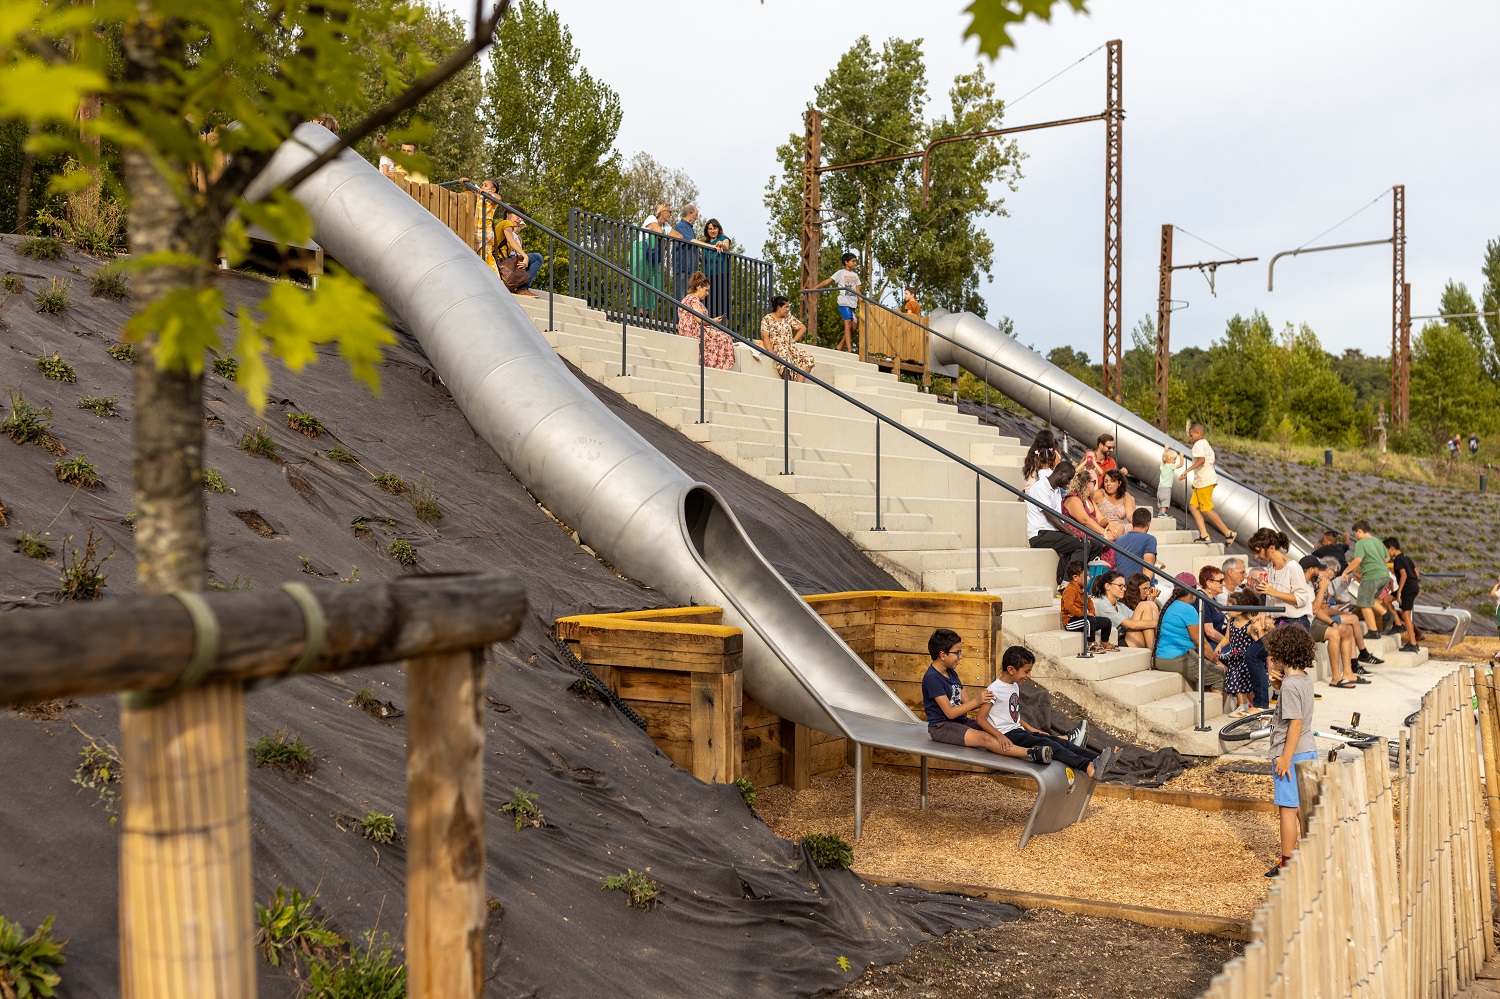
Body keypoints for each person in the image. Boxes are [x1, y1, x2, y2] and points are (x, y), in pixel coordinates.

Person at [981, 646, 1121, 780]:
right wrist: (1000, 737)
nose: (1029, 676)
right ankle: (1088, 767)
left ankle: (1096, 759)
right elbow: (981, 719)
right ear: (1011, 669)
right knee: (1051, 746)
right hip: (1008, 736)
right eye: (1026, 671)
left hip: (1018, 732)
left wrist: (1032, 729)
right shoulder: (994, 690)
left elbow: (1013, 715)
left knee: (1058, 741)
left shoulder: (1014, 686)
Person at [922, 629, 1052, 763]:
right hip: (942, 727)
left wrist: (988, 697)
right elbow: (949, 713)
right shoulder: (932, 678)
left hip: (961, 722)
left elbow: (968, 703)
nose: (960, 656)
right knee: (986, 738)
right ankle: (1031, 753)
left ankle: (1052, 742)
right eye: (957, 652)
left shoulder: (951, 673)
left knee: (996, 729)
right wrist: (978, 700)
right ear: (942, 655)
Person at [1264, 624, 1318, 878]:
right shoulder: (1302, 679)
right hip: (1307, 750)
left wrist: (1285, 756)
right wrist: (1278, 685)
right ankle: (1310, 856)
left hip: (1292, 752)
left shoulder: (1290, 686)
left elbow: (1294, 722)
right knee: (1302, 808)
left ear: (1283, 652)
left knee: (1287, 808)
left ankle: (1287, 863)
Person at [1153, 570, 1225, 692]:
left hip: (1161, 658)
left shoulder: (1170, 605)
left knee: (1209, 671)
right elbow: (1199, 642)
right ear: (1191, 591)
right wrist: (1217, 662)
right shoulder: (1188, 609)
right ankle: (1211, 711)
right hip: (1176, 658)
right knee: (1219, 674)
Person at [1027, 461, 1087, 591]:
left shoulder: (1056, 491)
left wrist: (1071, 533)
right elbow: (1051, 516)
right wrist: (1071, 533)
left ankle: (1063, 580)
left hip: (1052, 533)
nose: (1069, 483)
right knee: (1081, 544)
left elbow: (1059, 517)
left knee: (1093, 545)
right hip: (1040, 534)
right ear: (1061, 473)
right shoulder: (1040, 487)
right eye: (1068, 478)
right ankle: (1067, 584)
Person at [1301, 556, 1360, 689]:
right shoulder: (1308, 584)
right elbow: (1317, 608)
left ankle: (1348, 673)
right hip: (1303, 624)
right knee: (1334, 633)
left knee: (1346, 629)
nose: (1320, 571)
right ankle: (1336, 678)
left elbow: (1315, 609)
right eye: (1318, 568)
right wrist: (1322, 588)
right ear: (1311, 569)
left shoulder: (1310, 583)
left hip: (1313, 620)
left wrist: (1331, 622)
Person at [1179, 424, 1236, 546]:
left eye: (1191, 435)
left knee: (1206, 509)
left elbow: (1201, 460)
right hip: (1203, 481)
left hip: (1205, 481)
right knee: (1193, 507)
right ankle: (1204, 535)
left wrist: (1186, 471)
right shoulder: (1206, 444)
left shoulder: (1198, 444)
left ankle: (1228, 533)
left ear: (1198, 434)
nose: (1190, 438)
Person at [1246, 528, 1312, 628]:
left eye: (1258, 552)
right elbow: (1271, 599)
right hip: (1280, 621)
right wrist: (1264, 613)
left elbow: (1301, 599)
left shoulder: (1292, 567)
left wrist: (1273, 592)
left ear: (1271, 548)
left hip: (1296, 622)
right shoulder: (1270, 567)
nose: (1256, 556)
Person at [1340, 520, 1390, 638]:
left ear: (1360, 531)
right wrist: (1377, 566)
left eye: (1355, 533)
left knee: (1364, 603)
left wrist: (1345, 571)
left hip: (1372, 577)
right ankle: (1386, 614)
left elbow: (1357, 560)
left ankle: (1373, 631)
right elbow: (1387, 558)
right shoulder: (1378, 541)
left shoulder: (1361, 543)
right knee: (1370, 599)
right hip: (1384, 575)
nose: (1355, 536)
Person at [1217, 589, 1263, 717]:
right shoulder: (1231, 622)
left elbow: (1257, 640)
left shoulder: (1249, 625)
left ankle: (1246, 707)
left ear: (1239, 610)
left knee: (1240, 681)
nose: (1226, 609)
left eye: (1229, 606)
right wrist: (1220, 646)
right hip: (1235, 657)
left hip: (1245, 659)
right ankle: (1252, 707)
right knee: (1238, 682)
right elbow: (1227, 638)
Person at [677, 271, 734, 370]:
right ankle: (717, 366)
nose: (707, 293)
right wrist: (714, 321)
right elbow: (699, 319)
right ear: (699, 287)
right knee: (725, 337)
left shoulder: (687, 298)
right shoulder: (694, 299)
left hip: (688, 330)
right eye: (706, 290)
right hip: (694, 331)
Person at [1061, 561, 1115, 652]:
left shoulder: (1082, 590)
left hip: (1084, 619)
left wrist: (1092, 613)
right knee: (1089, 621)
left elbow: (1089, 602)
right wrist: (1083, 614)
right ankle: (1091, 644)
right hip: (1071, 622)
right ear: (1075, 577)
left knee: (1106, 621)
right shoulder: (1070, 590)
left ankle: (1105, 642)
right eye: (1086, 575)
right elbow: (1068, 606)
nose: (1089, 578)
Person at [1060, 468, 1110, 566]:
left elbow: (1100, 519)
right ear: (1087, 483)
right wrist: (1103, 532)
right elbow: (1084, 520)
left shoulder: (1090, 500)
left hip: (1093, 532)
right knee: (1103, 545)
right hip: (1080, 533)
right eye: (1094, 482)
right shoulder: (1073, 499)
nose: (1095, 485)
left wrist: (1110, 526)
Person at [759, 296, 814, 382]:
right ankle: (788, 386)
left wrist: (793, 340)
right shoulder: (767, 319)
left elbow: (802, 328)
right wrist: (770, 350)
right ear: (778, 307)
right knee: (785, 359)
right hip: (778, 348)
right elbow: (765, 336)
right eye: (786, 307)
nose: (788, 309)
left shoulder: (788, 318)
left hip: (790, 347)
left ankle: (799, 385)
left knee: (808, 358)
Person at [814, 252, 861, 353]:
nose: (855, 263)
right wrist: (815, 288)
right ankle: (849, 349)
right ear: (846, 262)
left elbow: (857, 290)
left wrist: (862, 300)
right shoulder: (840, 273)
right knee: (847, 323)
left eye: (855, 261)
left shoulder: (855, 275)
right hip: (844, 302)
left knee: (853, 327)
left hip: (853, 303)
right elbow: (827, 281)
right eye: (853, 261)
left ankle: (839, 346)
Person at [632, 202, 672, 313]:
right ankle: (640, 312)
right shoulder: (651, 218)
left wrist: (665, 238)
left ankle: (648, 312)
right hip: (641, 249)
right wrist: (665, 239)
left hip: (654, 255)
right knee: (641, 279)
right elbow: (658, 231)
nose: (671, 214)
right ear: (662, 212)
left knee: (656, 282)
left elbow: (679, 236)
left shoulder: (666, 226)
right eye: (669, 212)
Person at [496, 205, 544, 296]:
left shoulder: (505, 226)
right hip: (503, 261)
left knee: (529, 260)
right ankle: (522, 288)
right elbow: (510, 240)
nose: (519, 220)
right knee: (537, 257)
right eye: (517, 216)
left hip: (504, 260)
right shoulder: (506, 223)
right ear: (508, 214)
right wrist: (525, 256)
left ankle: (519, 286)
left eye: (521, 218)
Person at [1385, 537, 1421, 652]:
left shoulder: (1397, 560)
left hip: (1407, 588)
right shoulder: (1406, 557)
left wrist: (1400, 591)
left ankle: (1413, 643)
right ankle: (1398, 624)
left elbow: (1404, 575)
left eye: (1386, 551)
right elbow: (1416, 573)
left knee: (1406, 615)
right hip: (1412, 586)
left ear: (1391, 548)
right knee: (1387, 599)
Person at [1112, 508, 1159, 581]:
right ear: (1148, 523)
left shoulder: (1119, 540)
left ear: (1132, 522)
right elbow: (1147, 570)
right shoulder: (1150, 540)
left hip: (1123, 585)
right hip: (1139, 587)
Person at [1119, 572, 1162, 650]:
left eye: (1149, 589)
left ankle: (1154, 648)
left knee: (1151, 605)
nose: (1148, 592)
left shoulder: (1148, 603)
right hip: (1127, 638)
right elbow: (1128, 625)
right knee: (1146, 605)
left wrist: (1151, 601)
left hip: (1142, 639)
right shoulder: (1123, 602)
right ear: (1135, 589)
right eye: (1145, 589)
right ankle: (1153, 651)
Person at [701, 218, 732, 319]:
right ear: (707, 230)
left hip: (721, 274)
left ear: (719, 229)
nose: (712, 231)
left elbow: (726, 246)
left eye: (714, 228)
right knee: (709, 298)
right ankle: (710, 319)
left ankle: (722, 320)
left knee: (721, 298)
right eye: (710, 229)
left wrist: (721, 244)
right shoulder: (705, 243)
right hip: (708, 276)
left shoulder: (723, 238)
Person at [668, 204, 701, 299]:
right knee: (682, 297)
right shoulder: (681, 226)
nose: (697, 218)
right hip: (683, 268)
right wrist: (711, 246)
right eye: (696, 214)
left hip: (691, 269)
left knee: (691, 297)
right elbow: (691, 241)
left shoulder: (690, 229)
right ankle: (679, 314)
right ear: (690, 214)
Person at [472, 178, 501, 273]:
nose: (482, 187)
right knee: (487, 257)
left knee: (468, 249)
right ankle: (495, 278)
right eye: (482, 185)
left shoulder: (491, 199)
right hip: (478, 230)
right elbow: (469, 196)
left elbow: (499, 198)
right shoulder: (480, 196)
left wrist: (488, 193)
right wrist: (465, 183)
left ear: (492, 189)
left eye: (485, 185)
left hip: (484, 230)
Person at [1097, 469, 1135, 537]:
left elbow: (1130, 515)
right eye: (1106, 481)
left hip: (1121, 529)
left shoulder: (1125, 496)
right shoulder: (1100, 493)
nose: (1108, 484)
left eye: (1112, 481)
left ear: (1119, 483)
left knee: (1135, 527)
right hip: (1105, 526)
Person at [1093, 570, 1131, 638]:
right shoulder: (1103, 606)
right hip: (1114, 641)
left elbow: (1137, 617)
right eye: (1120, 585)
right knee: (1144, 606)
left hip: (1123, 638)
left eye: (1124, 586)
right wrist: (1156, 623)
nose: (1124, 589)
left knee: (1146, 606)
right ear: (1107, 586)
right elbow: (1133, 625)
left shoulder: (1120, 605)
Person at [1157, 447, 1181, 518]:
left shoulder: (1162, 465)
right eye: (1174, 459)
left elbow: (1164, 456)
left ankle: (1160, 513)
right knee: (1165, 501)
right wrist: (1182, 456)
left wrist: (1166, 449)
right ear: (1168, 459)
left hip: (1160, 487)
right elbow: (1181, 465)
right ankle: (1162, 514)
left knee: (1161, 501)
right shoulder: (1171, 466)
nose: (1175, 461)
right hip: (1166, 487)